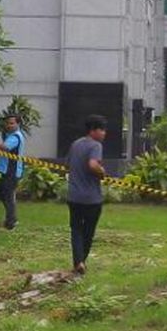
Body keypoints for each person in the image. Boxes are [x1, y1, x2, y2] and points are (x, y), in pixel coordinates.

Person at [67, 115, 108, 274]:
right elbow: (92, 165)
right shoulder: (95, 145)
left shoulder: (75, 144)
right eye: (102, 130)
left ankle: (78, 262)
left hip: (74, 196)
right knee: (88, 231)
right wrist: (102, 172)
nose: (104, 133)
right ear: (93, 130)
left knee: (76, 229)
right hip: (92, 198)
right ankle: (82, 261)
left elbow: (68, 164)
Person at [0, 114, 26, 230]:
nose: (9, 125)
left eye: (12, 123)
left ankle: (11, 222)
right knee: (4, 194)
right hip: (7, 170)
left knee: (8, 196)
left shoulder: (15, 137)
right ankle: (11, 219)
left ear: (18, 124)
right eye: (7, 123)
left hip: (12, 171)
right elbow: (5, 154)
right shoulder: (10, 135)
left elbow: (5, 148)